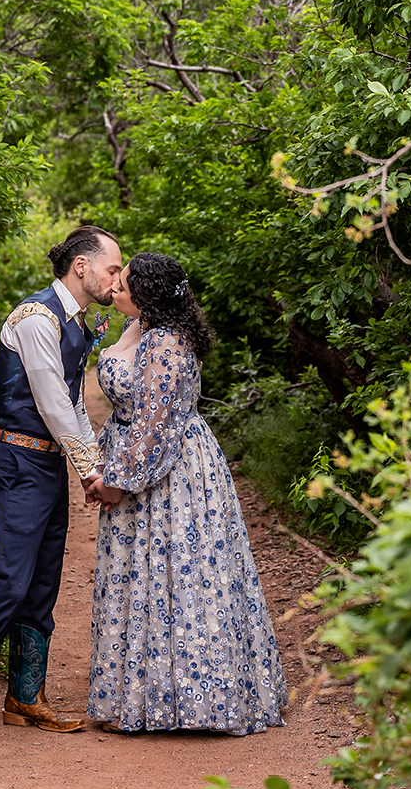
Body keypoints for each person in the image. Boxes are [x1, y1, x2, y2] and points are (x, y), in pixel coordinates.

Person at [86, 253, 288, 735]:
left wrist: (117, 481)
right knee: (148, 580)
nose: (118, 287)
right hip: (142, 462)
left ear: (149, 295)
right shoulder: (143, 331)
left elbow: (159, 426)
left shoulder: (166, 342)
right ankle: (144, 694)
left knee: (183, 576)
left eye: (127, 282)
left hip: (172, 476)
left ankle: (198, 702)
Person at [0, 225, 122, 751]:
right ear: (81, 266)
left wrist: (92, 463)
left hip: (45, 463)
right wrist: (91, 469)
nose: (117, 278)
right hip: (17, 458)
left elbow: (73, 403)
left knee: (44, 582)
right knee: (12, 582)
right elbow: (50, 402)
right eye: (113, 268)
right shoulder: (36, 317)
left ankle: (25, 697)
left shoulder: (75, 321)